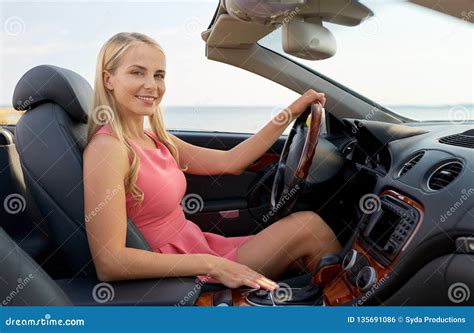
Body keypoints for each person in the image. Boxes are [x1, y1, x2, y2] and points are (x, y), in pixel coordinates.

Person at [83, 32, 341, 291]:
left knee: (305, 239)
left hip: (201, 248)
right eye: (137, 73)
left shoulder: (154, 138)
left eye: (158, 75)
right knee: (310, 228)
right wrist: (211, 265)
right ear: (108, 79)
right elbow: (110, 262)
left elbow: (231, 161)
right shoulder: (108, 149)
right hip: (181, 274)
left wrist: (291, 112)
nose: (152, 85)